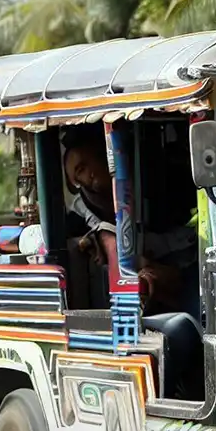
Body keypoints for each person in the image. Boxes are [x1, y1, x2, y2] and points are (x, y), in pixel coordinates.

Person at [61, 124, 198, 316]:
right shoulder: (83, 212)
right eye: (78, 178)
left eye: (83, 166)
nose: (86, 178)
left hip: (188, 262)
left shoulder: (159, 177)